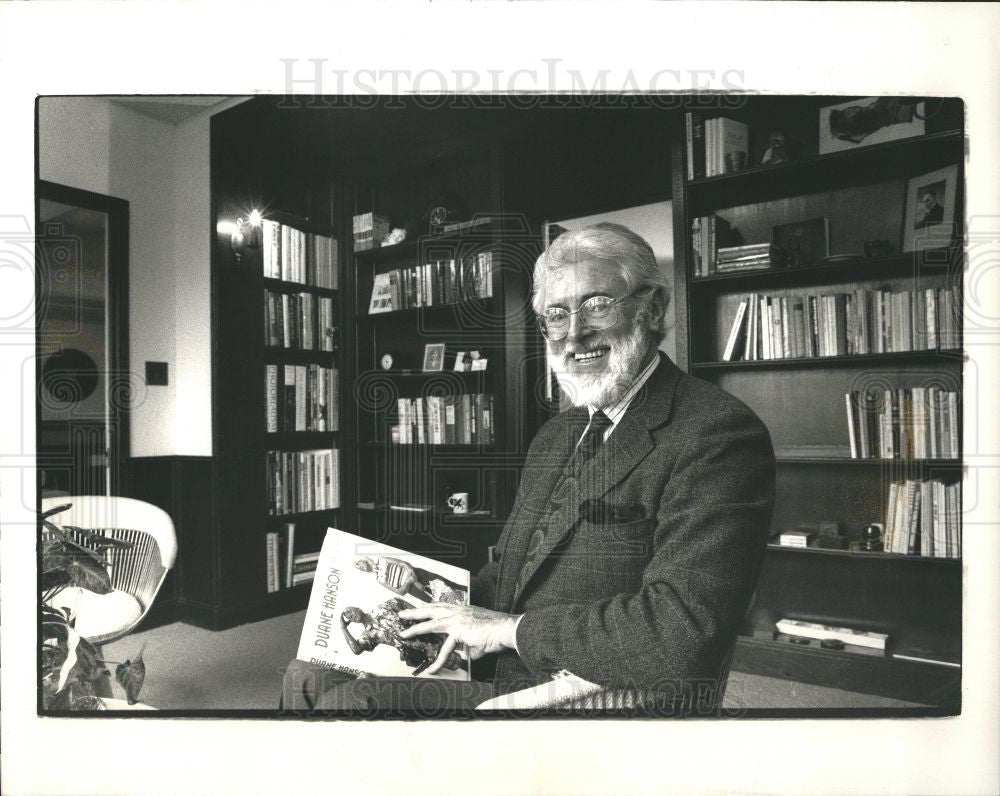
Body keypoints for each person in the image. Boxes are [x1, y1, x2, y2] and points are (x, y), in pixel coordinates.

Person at [282, 222, 775, 713]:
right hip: (498, 659)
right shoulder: (557, 434)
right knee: (308, 674)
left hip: (577, 693)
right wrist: (416, 600)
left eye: (597, 304)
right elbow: (513, 570)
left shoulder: (717, 434)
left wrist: (503, 628)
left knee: (350, 702)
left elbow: (681, 629)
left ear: (652, 309)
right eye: (556, 315)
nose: (574, 333)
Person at [339, 599, 464, 676]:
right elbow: (356, 650)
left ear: (358, 608)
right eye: (348, 617)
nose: (351, 616)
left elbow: (418, 611)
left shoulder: (386, 605)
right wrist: (343, 628)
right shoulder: (368, 635)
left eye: (351, 611)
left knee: (471, 646)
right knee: (463, 665)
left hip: (437, 635)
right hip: (427, 653)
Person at [353, 555, 466, 605]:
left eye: (358, 564)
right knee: (440, 604)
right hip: (413, 590)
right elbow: (400, 592)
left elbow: (404, 564)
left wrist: (415, 581)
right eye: (358, 569)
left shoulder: (382, 559)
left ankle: (472, 594)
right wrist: (409, 582)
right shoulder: (379, 579)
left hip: (419, 575)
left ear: (363, 559)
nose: (360, 568)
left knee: (449, 586)